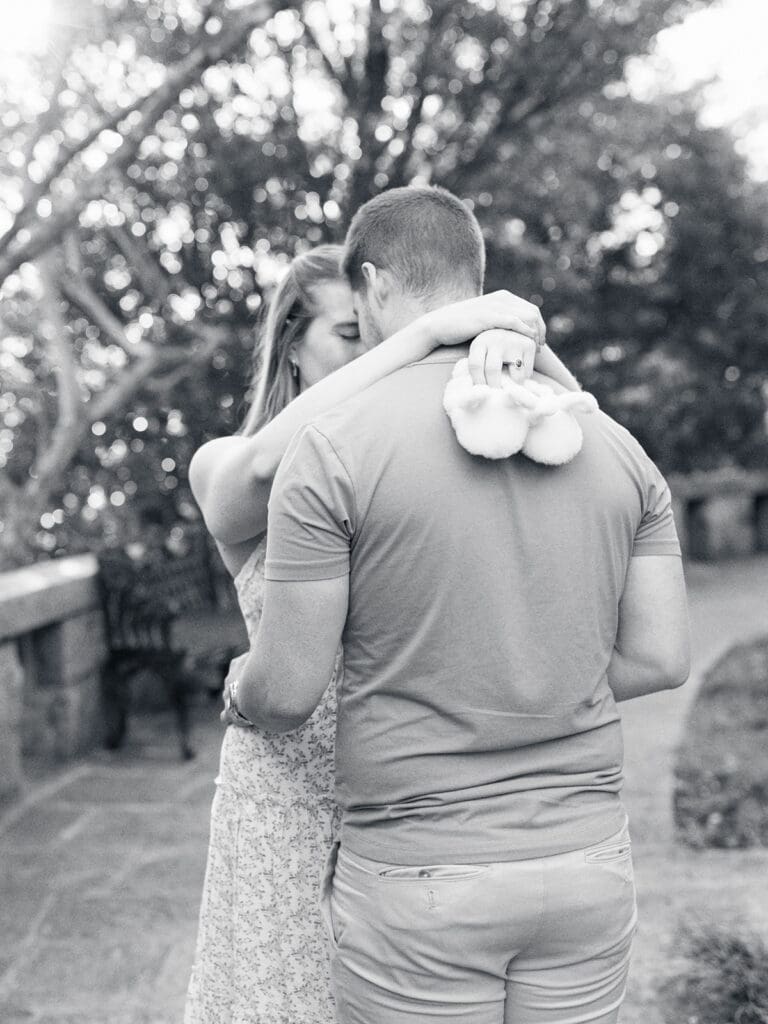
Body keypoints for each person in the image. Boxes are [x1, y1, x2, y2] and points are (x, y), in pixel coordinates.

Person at [229, 186, 691, 1024]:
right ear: (477, 279)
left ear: (371, 286)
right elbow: (661, 658)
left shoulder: (332, 449)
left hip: (421, 881)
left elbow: (288, 695)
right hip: (586, 863)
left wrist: (242, 693)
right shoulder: (616, 448)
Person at [184, 242, 579, 1023]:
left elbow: (592, 452)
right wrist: (429, 334)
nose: (383, 355)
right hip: (288, 806)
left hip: (417, 809)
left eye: (384, 332)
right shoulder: (226, 461)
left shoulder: (417, 464)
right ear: (291, 347)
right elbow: (264, 473)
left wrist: (518, 342)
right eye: (350, 335)